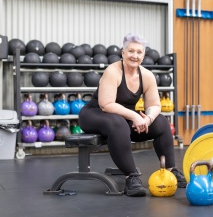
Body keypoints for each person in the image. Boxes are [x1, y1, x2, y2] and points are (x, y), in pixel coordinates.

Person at [78, 33, 186, 197]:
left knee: (161, 122)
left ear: (143, 56)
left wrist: (147, 119)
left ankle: (171, 170)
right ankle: (132, 177)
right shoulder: (113, 71)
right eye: (131, 51)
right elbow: (106, 104)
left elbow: (155, 105)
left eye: (139, 52)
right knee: (118, 123)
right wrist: (135, 116)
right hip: (95, 114)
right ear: (123, 53)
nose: (134, 56)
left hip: (122, 117)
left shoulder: (147, 76)